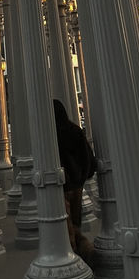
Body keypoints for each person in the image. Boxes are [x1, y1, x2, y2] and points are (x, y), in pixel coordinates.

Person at [52, 99, 96, 265]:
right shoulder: (75, 130)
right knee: (75, 223)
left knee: (66, 225)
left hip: (61, 185)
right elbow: (87, 158)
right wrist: (81, 178)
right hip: (76, 186)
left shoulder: (53, 134)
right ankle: (86, 251)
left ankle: (77, 257)